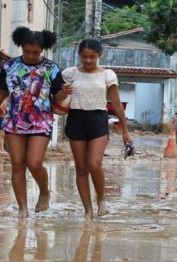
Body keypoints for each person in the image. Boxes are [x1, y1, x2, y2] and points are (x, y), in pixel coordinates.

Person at [0, 27, 70, 218]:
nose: (30, 55)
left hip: (41, 121)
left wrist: (65, 92)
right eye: (26, 51)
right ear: (21, 47)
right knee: (18, 164)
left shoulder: (51, 68)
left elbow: (58, 96)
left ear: (42, 49)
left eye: (35, 52)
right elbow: (0, 92)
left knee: (34, 162)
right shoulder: (9, 66)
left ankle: (44, 192)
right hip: (14, 121)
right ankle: (23, 208)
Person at [61, 39, 131, 219]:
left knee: (93, 163)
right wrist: (62, 92)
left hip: (98, 119)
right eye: (84, 56)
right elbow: (57, 96)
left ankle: (101, 199)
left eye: (92, 57)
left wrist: (125, 131)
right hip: (76, 119)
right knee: (81, 168)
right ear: (79, 55)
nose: (88, 60)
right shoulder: (70, 74)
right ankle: (87, 210)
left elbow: (116, 103)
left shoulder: (108, 75)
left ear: (100, 55)